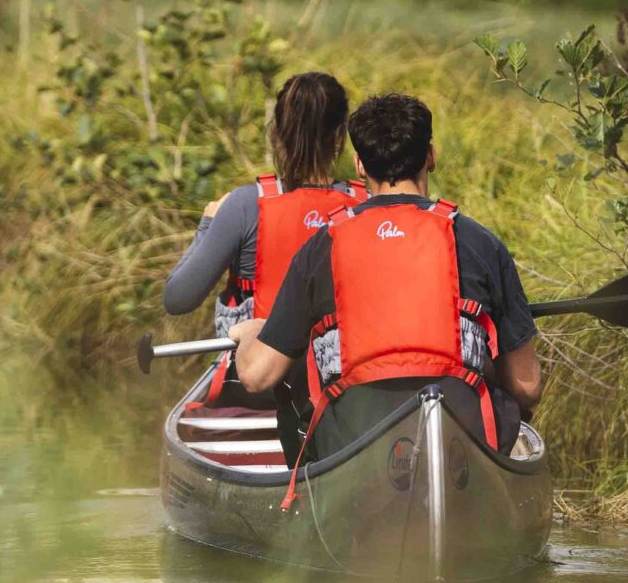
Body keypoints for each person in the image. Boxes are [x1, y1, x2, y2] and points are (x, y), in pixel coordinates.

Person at [231, 92, 542, 461]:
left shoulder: (321, 247)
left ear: (360, 166)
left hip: (352, 447)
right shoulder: (479, 243)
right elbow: (527, 387)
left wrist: (249, 334)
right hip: (460, 443)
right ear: (430, 156)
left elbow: (257, 376)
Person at [160, 73, 361, 408]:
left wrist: (208, 225)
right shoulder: (365, 207)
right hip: (340, 388)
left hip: (256, 389)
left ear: (277, 132)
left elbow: (178, 299)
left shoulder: (244, 206)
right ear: (341, 135)